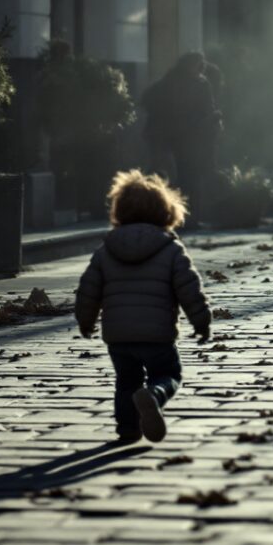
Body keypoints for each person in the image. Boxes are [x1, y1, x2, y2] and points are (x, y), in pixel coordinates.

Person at [75, 170, 212, 444]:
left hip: (119, 336)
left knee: (126, 382)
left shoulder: (106, 249)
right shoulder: (171, 249)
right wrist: (201, 321)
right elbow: (189, 289)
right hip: (157, 334)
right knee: (167, 374)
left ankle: (128, 430)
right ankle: (155, 395)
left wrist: (86, 321)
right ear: (166, 210)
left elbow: (89, 290)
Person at [140, 53, 222, 226]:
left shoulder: (191, 82)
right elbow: (148, 100)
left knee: (187, 176)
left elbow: (208, 108)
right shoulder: (181, 82)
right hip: (177, 138)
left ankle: (186, 216)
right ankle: (181, 215)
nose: (200, 67)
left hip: (185, 138)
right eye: (197, 64)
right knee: (183, 177)